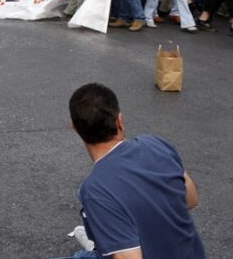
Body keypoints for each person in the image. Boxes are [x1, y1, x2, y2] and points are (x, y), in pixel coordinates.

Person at [68, 83, 205, 259]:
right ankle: (104, 244)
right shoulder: (156, 145)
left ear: (75, 128)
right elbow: (191, 199)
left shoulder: (95, 190)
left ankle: (104, 244)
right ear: (119, 120)